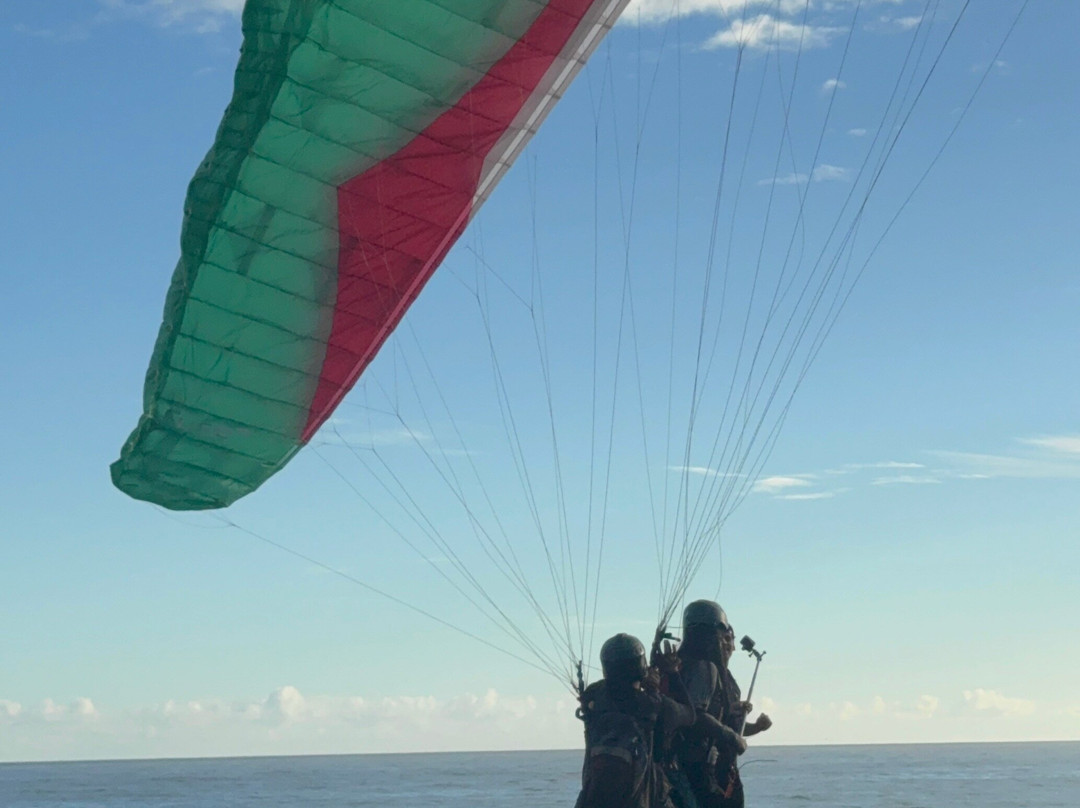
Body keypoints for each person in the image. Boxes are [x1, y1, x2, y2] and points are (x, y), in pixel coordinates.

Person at [576, 633, 696, 808]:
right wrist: (671, 673)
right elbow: (690, 716)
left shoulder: (593, 699)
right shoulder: (654, 705)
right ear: (641, 667)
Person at [711, 617, 771, 808]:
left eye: (730, 640)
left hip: (729, 769)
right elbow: (699, 716)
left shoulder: (730, 682)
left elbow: (736, 728)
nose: (727, 645)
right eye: (723, 639)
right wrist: (730, 708)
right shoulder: (705, 674)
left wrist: (758, 727)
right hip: (708, 768)